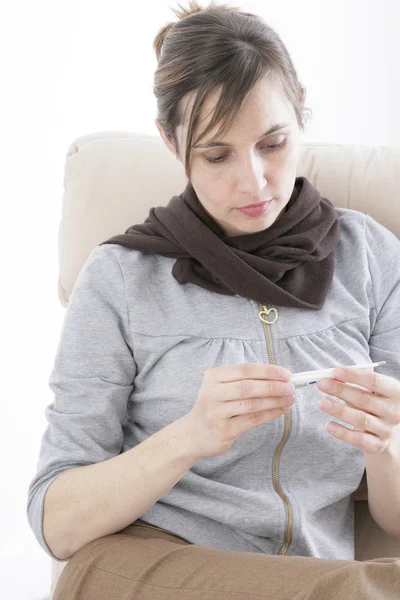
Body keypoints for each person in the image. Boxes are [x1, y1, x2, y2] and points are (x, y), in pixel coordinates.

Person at [27, 1, 400, 598]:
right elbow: (57, 520)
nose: (252, 181)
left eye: (272, 143)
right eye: (216, 155)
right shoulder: (122, 277)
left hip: (313, 578)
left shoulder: (371, 259)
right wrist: (191, 435)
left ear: (301, 115)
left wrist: (386, 445)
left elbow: (396, 519)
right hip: (146, 570)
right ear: (173, 145)